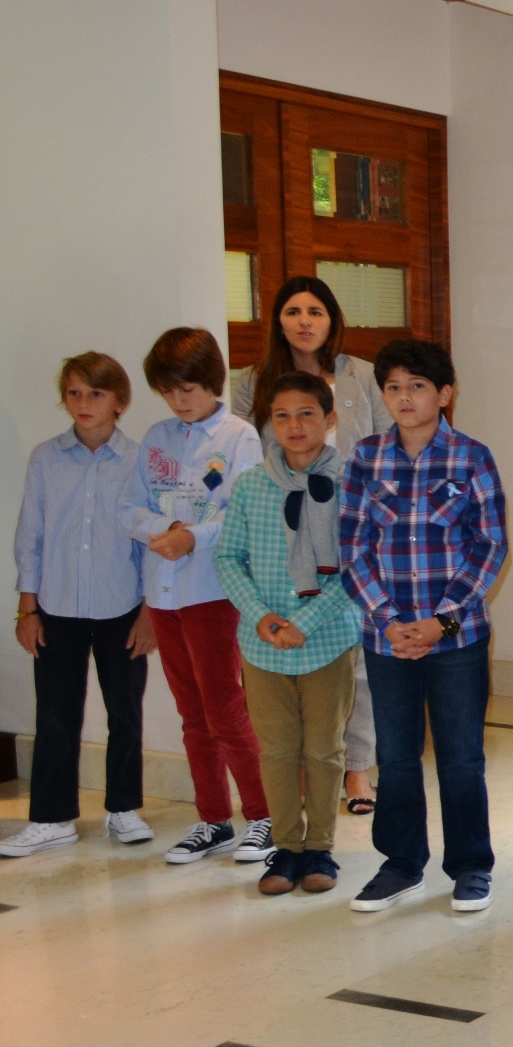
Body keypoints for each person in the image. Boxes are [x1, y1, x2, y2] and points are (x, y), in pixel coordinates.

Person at [338, 339, 508, 914]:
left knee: (461, 758)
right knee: (396, 755)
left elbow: (490, 546)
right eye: (393, 387)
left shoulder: (471, 457)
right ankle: (401, 864)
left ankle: (471, 866)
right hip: (386, 637)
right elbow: (352, 547)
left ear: (445, 393)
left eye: (417, 386)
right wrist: (388, 622)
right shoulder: (366, 457)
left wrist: (441, 621)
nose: (404, 397)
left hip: (457, 638)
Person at [230, 276, 385, 816]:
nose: (304, 321)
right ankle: (298, 776)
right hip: (279, 523)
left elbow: (382, 444)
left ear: (332, 319)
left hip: (347, 515)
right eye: (293, 311)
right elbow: (243, 449)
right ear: (278, 320)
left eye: (315, 311)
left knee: (353, 653)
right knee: (286, 657)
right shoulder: (254, 380)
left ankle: (357, 769)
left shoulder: (361, 374)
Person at [126, 327, 272, 866]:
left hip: (213, 591)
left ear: (212, 381)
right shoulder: (156, 437)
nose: (177, 400)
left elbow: (245, 510)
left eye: (186, 388)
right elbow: (130, 507)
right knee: (192, 713)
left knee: (225, 709)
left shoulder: (239, 436)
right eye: (167, 390)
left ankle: (263, 816)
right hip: (164, 593)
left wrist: (195, 536)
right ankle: (213, 818)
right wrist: (167, 529)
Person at [213, 373, 360, 895]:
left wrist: (306, 622)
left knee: (323, 748)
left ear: (330, 419)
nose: (294, 426)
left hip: (327, 639)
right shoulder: (251, 485)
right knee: (275, 750)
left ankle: (319, 847)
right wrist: (261, 616)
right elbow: (228, 558)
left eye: (306, 414)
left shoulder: (352, 483)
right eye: (282, 416)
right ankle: (286, 848)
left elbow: (358, 566)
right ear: (269, 423)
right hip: (264, 643)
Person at [3, 354, 156, 856]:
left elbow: (152, 542)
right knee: (55, 715)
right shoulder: (46, 459)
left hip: (122, 608)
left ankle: (123, 809)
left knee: (125, 712)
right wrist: (28, 609)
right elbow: (31, 535)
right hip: (57, 608)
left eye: (96, 393)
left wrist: (149, 612)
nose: (84, 403)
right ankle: (52, 819)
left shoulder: (140, 460)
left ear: (120, 402)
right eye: (74, 393)